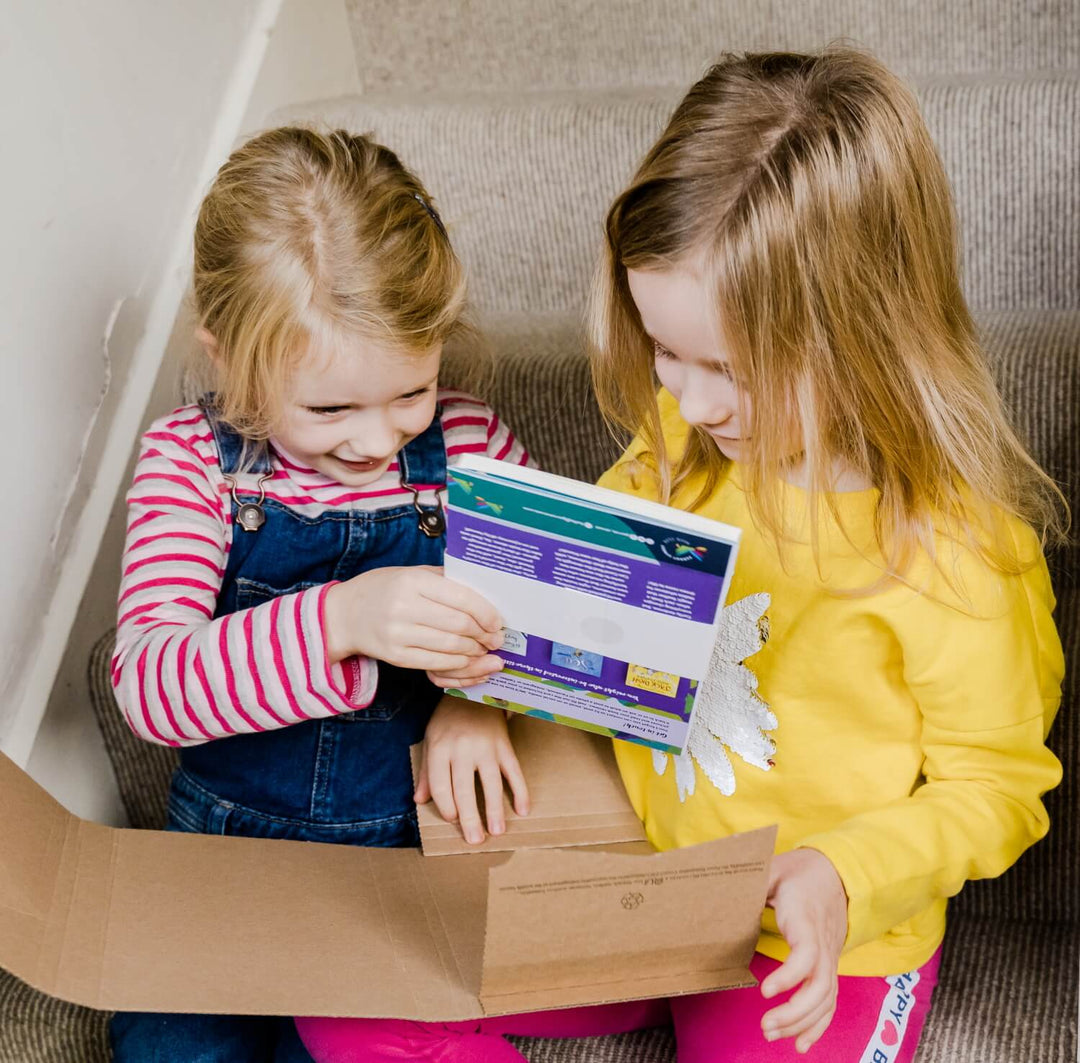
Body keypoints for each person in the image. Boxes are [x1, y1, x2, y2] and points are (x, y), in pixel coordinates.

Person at [295, 47, 1065, 1063]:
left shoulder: (962, 558)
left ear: (865, 333)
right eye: (666, 351)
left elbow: (998, 788)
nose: (691, 403)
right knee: (340, 992)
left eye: (730, 371)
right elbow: (568, 600)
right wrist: (477, 693)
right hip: (638, 880)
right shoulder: (686, 442)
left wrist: (842, 875)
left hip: (808, 939)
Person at [109, 126, 530, 1062]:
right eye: (330, 409)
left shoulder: (467, 443)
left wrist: (477, 703)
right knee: (169, 1045)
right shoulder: (194, 464)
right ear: (228, 364)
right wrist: (341, 618)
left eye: (410, 392)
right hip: (228, 852)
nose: (376, 440)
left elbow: (548, 626)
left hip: (407, 860)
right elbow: (149, 684)